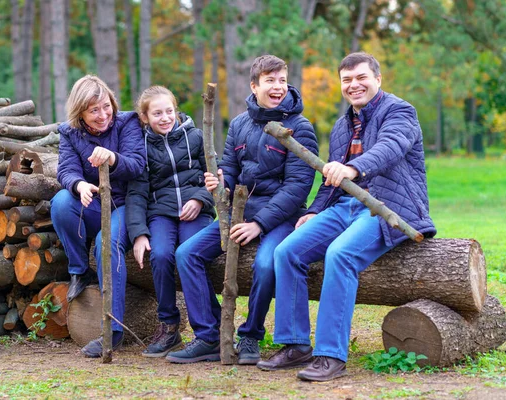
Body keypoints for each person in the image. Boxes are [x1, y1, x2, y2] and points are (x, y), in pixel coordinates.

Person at [256, 52, 436, 381]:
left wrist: (354, 167)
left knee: (340, 255)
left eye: (361, 77)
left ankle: (330, 355)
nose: (354, 85)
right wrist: (314, 211)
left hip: (388, 208)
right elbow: (330, 180)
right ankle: (295, 344)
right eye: (347, 80)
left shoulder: (399, 111)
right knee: (287, 251)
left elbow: (391, 147)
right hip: (345, 208)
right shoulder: (342, 125)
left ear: (377, 79)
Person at [166, 55, 318, 364]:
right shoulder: (239, 123)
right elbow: (230, 169)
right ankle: (209, 335)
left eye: (282, 81)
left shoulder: (300, 128)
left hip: (282, 218)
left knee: (265, 264)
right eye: (270, 81)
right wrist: (219, 181)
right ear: (254, 85)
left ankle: (250, 335)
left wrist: (259, 224)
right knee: (186, 254)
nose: (278, 87)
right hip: (239, 213)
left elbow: (297, 188)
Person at [50, 75, 146, 357]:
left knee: (107, 242)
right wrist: (78, 185)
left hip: (126, 206)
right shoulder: (69, 133)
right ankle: (80, 271)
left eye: (106, 107)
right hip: (92, 205)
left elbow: (137, 164)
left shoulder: (127, 123)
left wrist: (112, 158)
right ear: (80, 113)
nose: (103, 115)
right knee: (60, 202)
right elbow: (66, 170)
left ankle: (112, 330)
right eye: (94, 111)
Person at [126, 86, 215, 357]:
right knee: (162, 254)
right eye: (157, 113)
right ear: (144, 117)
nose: (164, 118)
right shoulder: (140, 146)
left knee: (190, 253)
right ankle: (168, 325)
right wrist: (139, 234)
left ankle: (211, 329)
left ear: (176, 111)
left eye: (169, 111)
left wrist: (200, 199)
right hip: (161, 213)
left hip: (195, 210)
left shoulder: (196, 137)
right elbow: (137, 193)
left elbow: (214, 174)